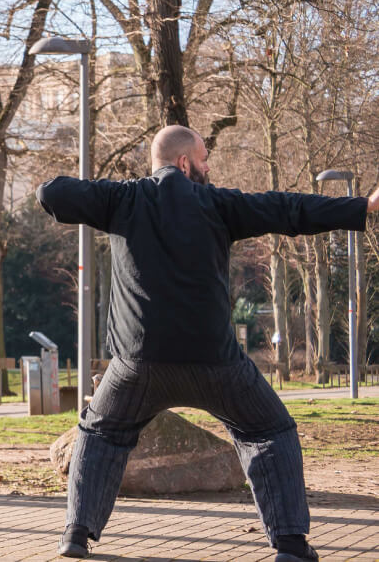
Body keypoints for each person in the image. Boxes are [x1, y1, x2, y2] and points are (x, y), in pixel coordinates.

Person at [37, 125, 379, 562]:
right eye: (204, 159)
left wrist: (93, 192)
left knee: (100, 431)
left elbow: (52, 194)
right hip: (214, 362)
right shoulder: (220, 204)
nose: (209, 167)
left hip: (137, 365)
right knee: (269, 430)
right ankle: (291, 544)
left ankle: (76, 535)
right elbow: (287, 210)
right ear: (185, 164)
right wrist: (362, 207)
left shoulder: (121, 199)